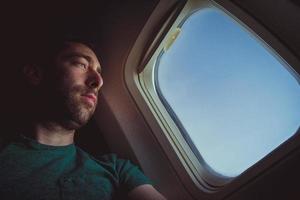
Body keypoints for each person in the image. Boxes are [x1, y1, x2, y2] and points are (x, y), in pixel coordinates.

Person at [0, 38, 167, 200]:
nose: (99, 81)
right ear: (35, 74)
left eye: (99, 72)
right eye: (81, 64)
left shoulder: (117, 170)